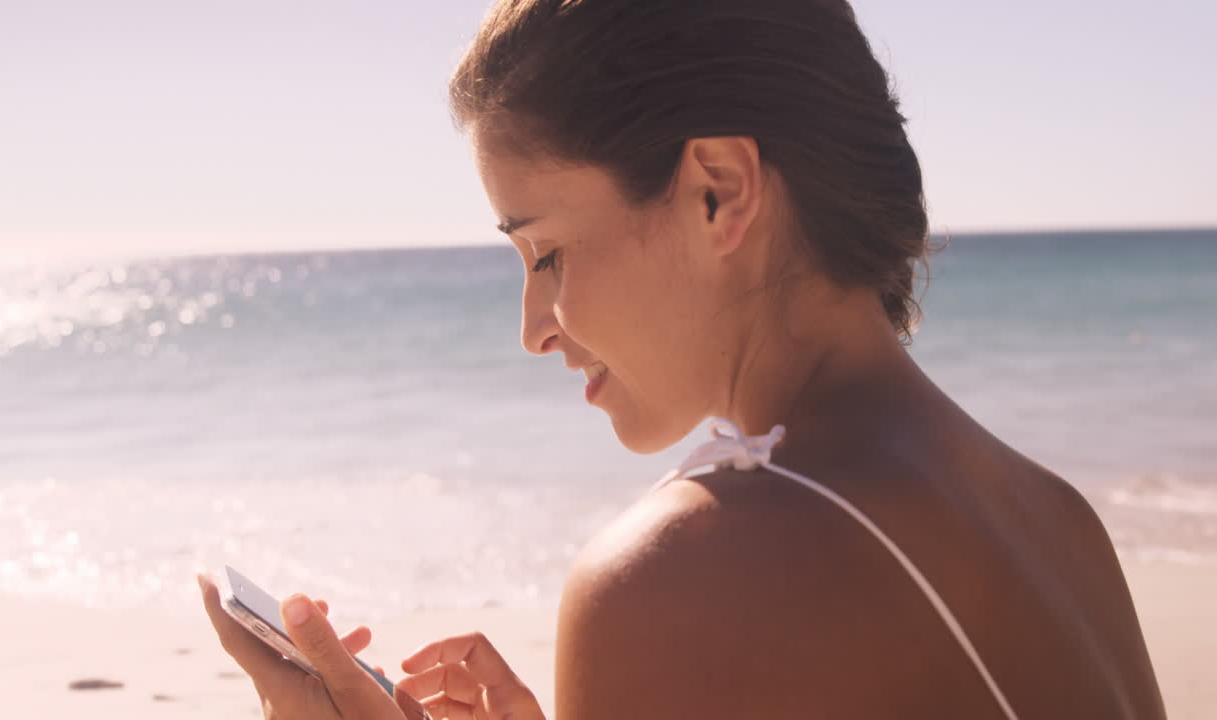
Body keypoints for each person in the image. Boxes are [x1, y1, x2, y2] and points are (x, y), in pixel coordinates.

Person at [198, 0, 1167, 717]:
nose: (532, 326)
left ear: (717, 189)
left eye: (545, 253)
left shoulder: (673, 580)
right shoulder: (1051, 518)